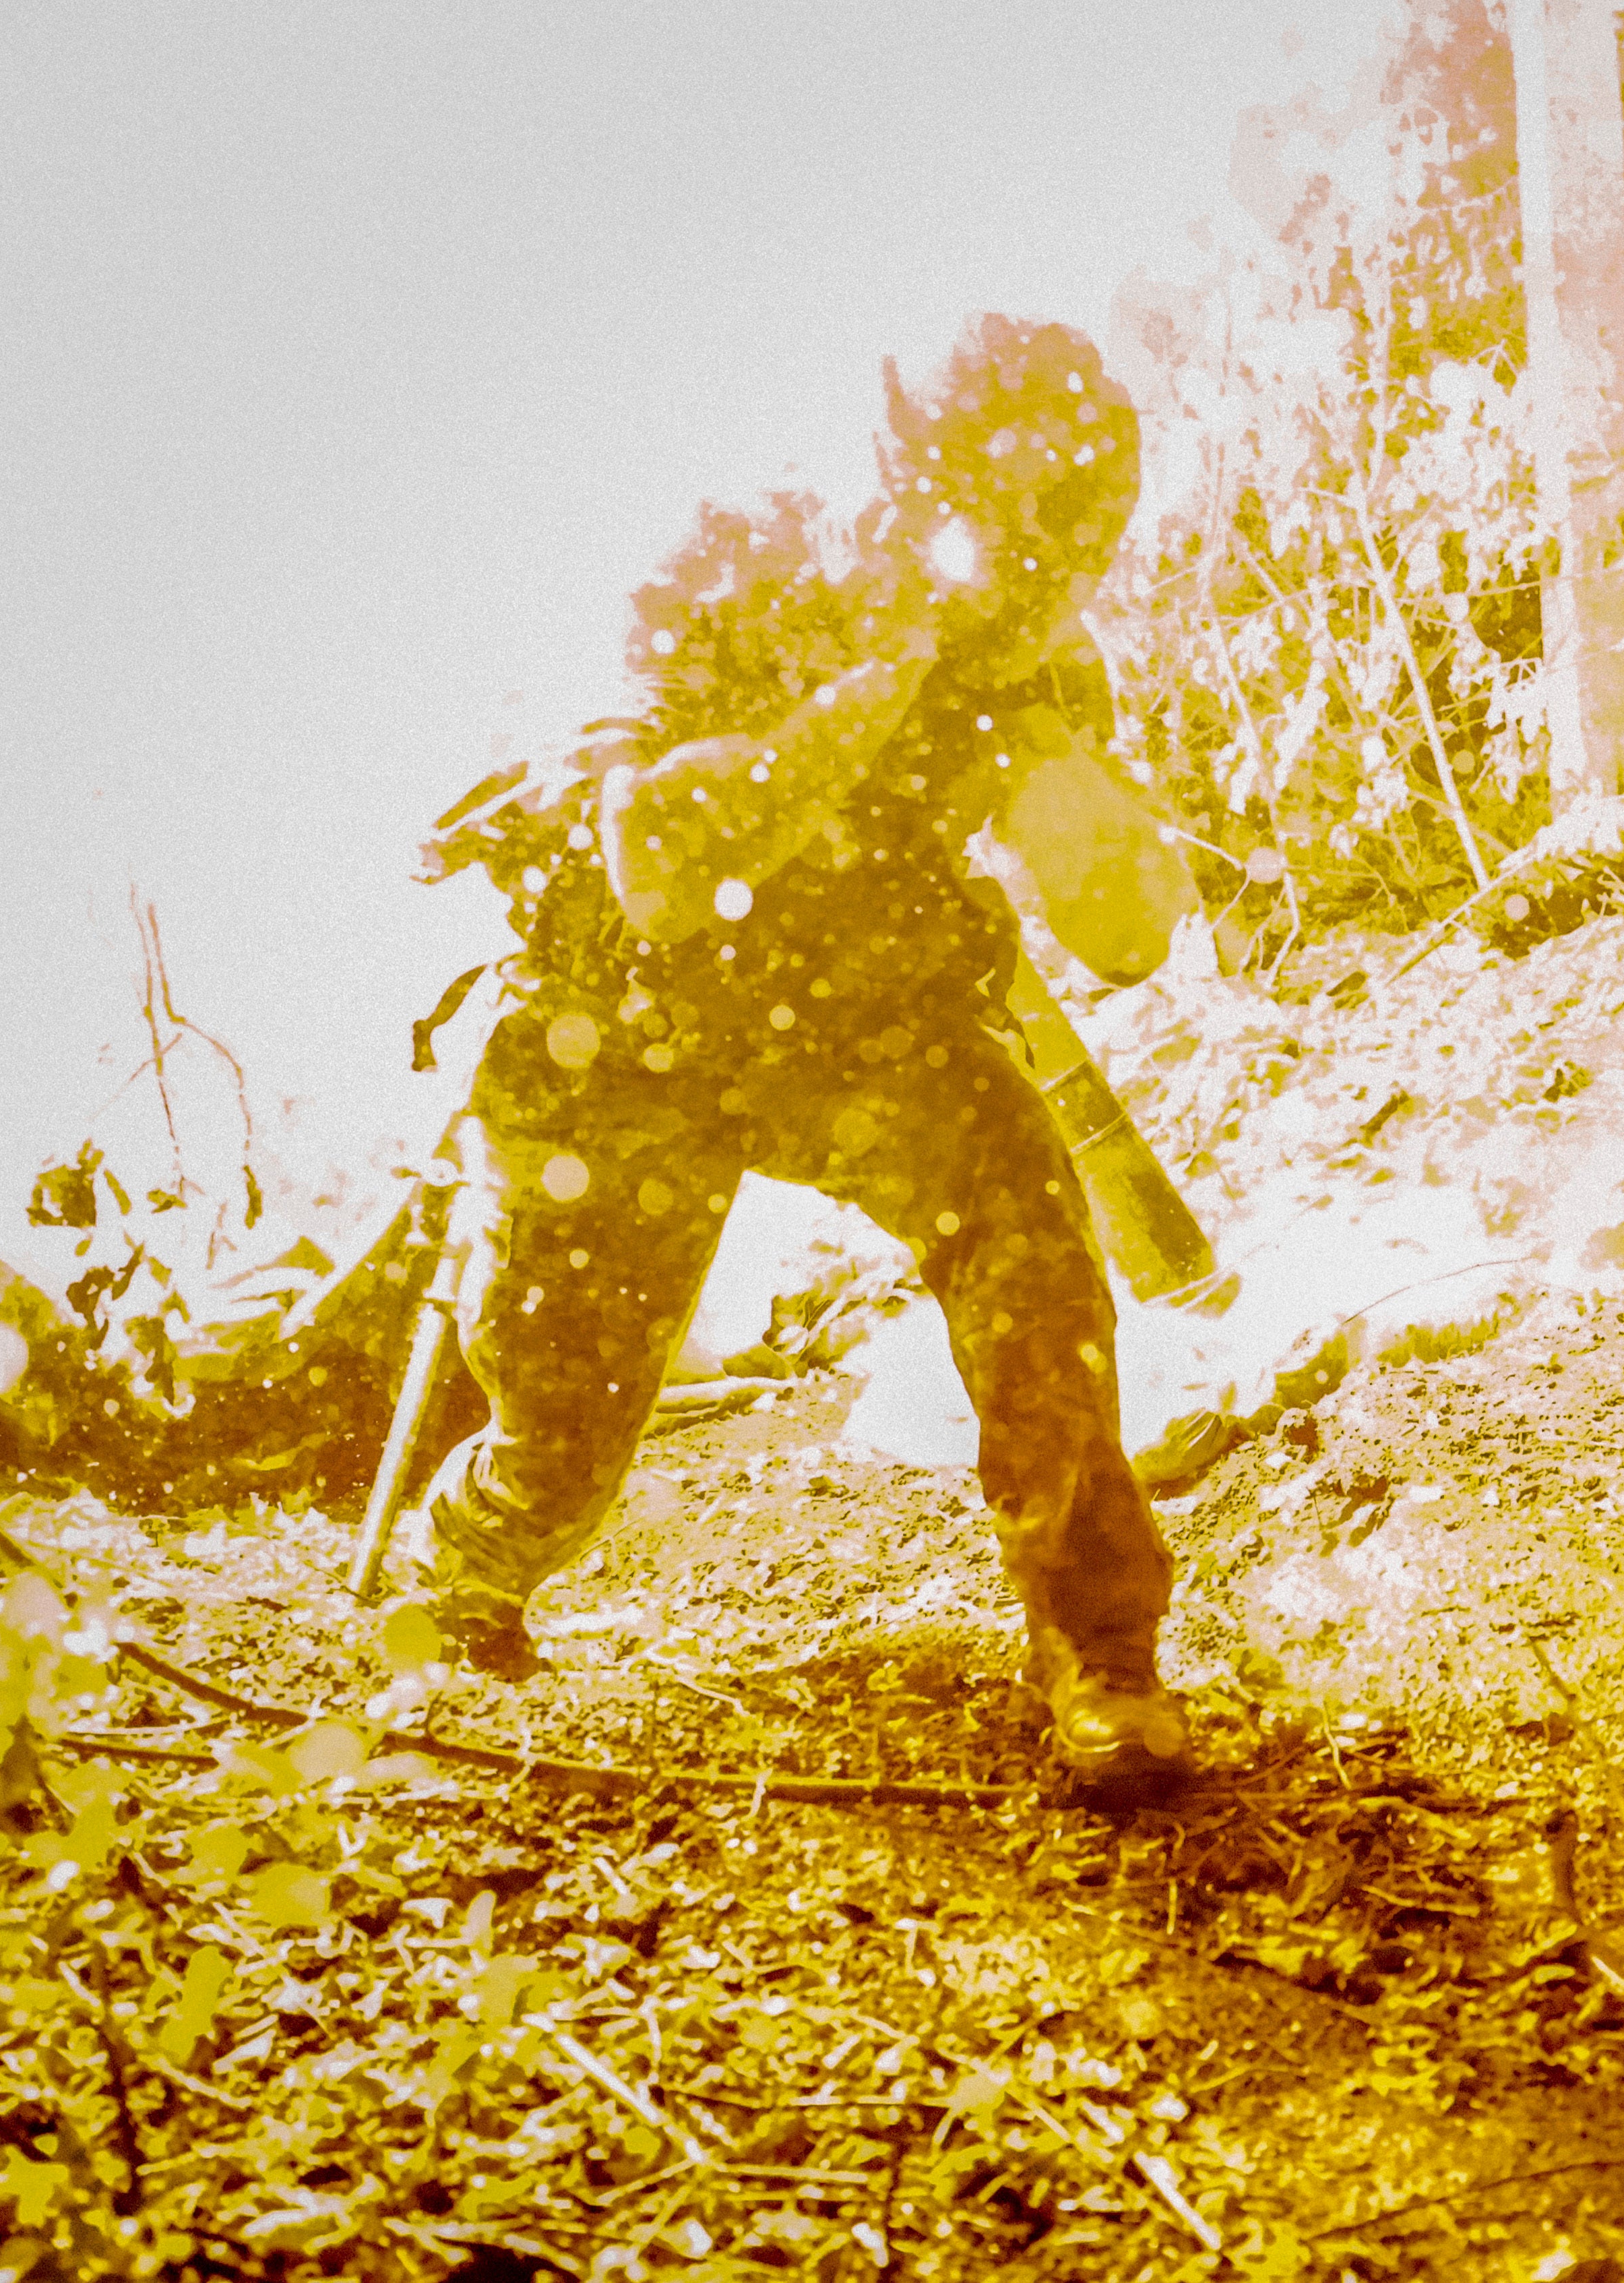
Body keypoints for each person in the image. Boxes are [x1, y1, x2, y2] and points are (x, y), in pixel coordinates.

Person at [408, 317, 1190, 1797]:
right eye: (1027, 545)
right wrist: (877, 685)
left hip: (860, 1036)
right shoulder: (732, 563)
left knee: (1030, 1245)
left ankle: (1102, 1646)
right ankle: (463, 1569)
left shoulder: (1024, 653)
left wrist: (1039, 744)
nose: (1048, 590)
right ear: (923, 490)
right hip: (621, 1044)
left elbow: (1127, 934)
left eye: (1077, 559)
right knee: (560, 1451)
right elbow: (654, 859)